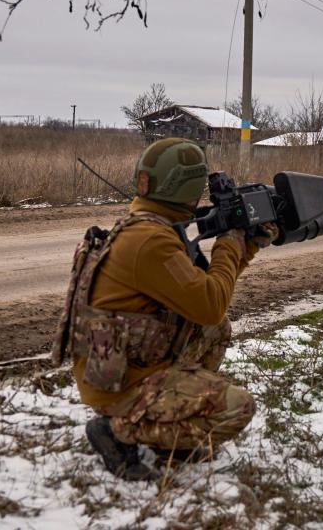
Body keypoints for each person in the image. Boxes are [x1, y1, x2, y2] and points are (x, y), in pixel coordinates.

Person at [51, 137, 276, 481]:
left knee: (216, 329)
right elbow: (211, 303)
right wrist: (230, 245)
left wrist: (245, 248)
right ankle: (120, 430)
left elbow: (205, 297)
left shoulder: (145, 225)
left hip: (118, 367)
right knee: (236, 408)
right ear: (187, 187)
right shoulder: (151, 241)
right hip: (121, 385)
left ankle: (166, 428)